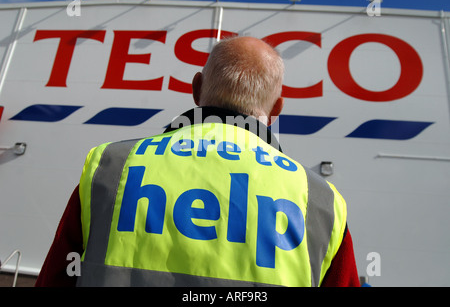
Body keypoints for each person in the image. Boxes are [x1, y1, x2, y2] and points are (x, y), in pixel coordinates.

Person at [35, 36, 359, 287]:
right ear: (277, 109)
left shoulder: (111, 167)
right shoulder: (320, 202)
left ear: (197, 89)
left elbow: (55, 280)